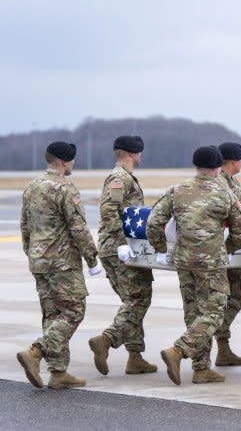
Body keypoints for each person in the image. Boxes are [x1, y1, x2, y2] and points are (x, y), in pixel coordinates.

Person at [148, 146, 241, 385]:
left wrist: (161, 248)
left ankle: (201, 368)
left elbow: (153, 222)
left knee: (194, 312)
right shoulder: (224, 193)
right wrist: (230, 248)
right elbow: (239, 229)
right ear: (217, 167)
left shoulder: (177, 190)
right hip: (211, 263)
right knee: (213, 313)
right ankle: (178, 351)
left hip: (184, 261)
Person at [17, 141, 101, 389]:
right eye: (72, 161)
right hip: (62, 263)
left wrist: (32, 253)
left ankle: (58, 371)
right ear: (65, 162)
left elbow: (25, 225)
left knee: (53, 315)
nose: (73, 164)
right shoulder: (65, 188)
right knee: (74, 311)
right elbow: (78, 227)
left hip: (39, 260)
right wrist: (92, 258)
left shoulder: (32, 186)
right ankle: (36, 352)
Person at [88, 135, 158, 376]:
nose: (141, 156)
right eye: (139, 152)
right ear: (132, 154)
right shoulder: (119, 178)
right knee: (138, 300)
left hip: (119, 248)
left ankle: (135, 357)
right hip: (120, 249)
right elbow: (109, 210)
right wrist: (121, 243)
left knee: (132, 301)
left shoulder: (124, 177)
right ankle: (106, 340)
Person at [213, 142, 241, 367]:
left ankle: (222, 348)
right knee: (223, 300)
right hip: (218, 251)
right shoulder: (218, 184)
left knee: (235, 296)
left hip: (230, 251)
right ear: (234, 160)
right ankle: (202, 341)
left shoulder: (232, 182)